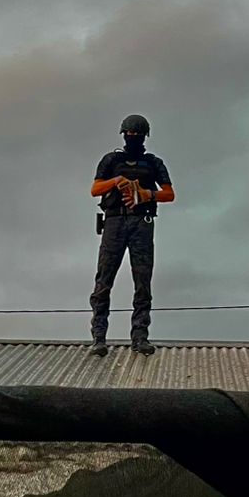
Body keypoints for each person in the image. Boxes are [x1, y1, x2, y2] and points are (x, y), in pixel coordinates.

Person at [89, 115, 175, 356]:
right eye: (130, 134)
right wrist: (117, 181)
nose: (133, 137)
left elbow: (169, 194)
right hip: (114, 221)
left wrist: (147, 194)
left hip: (142, 222)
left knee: (142, 282)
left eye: (137, 134)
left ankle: (140, 337)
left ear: (145, 136)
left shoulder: (153, 163)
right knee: (104, 281)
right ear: (123, 135)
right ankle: (99, 338)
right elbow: (95, 189)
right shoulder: (112, 160)